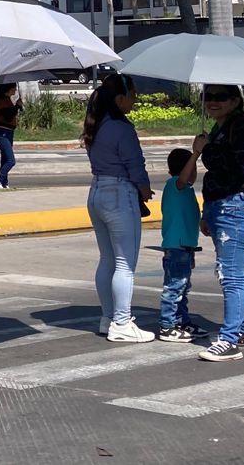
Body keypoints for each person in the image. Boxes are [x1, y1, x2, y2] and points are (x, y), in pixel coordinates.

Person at [192, 83, 244, 362]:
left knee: (231, 276)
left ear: (235, 100)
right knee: (241, 272)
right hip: (222, 206)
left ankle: (229, 340)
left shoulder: (243, 127)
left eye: (220, 97)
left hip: (236, 207)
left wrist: (204, 150)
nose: (212, 102)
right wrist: (206, 212)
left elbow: (235, 165)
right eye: (207, 97)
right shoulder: (223, 126)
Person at [83, 73, 155, 343]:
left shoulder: (96, 124)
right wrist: (145, 190)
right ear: (120, 98)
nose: (135, 100)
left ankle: (108, 317)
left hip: (97, 191)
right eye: (133, 95)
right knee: (125, 264)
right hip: (119, 193)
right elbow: (135, 165)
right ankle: (122, 323)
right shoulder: (122, 128)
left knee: (107, 259)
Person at [157, 148, 207, 342]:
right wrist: (196, 154)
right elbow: (183, 178)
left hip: (186, 247)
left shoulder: (186, 190)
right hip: (176, 248)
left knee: (183, 288)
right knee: (174, 287)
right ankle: (167, 325)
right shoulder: (174, 185)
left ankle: (181, 320)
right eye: (193, 168)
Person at [0, 83, 21, 189]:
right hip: (2, 133)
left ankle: (4, 182)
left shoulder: (7, 99)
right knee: (11, 160)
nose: (15, 90)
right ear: (8, 89)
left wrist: (16, 106)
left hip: (8, 132)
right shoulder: (2, 101)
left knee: (5, 159)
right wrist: (17, 106)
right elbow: (8, 115)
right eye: (14, 88)